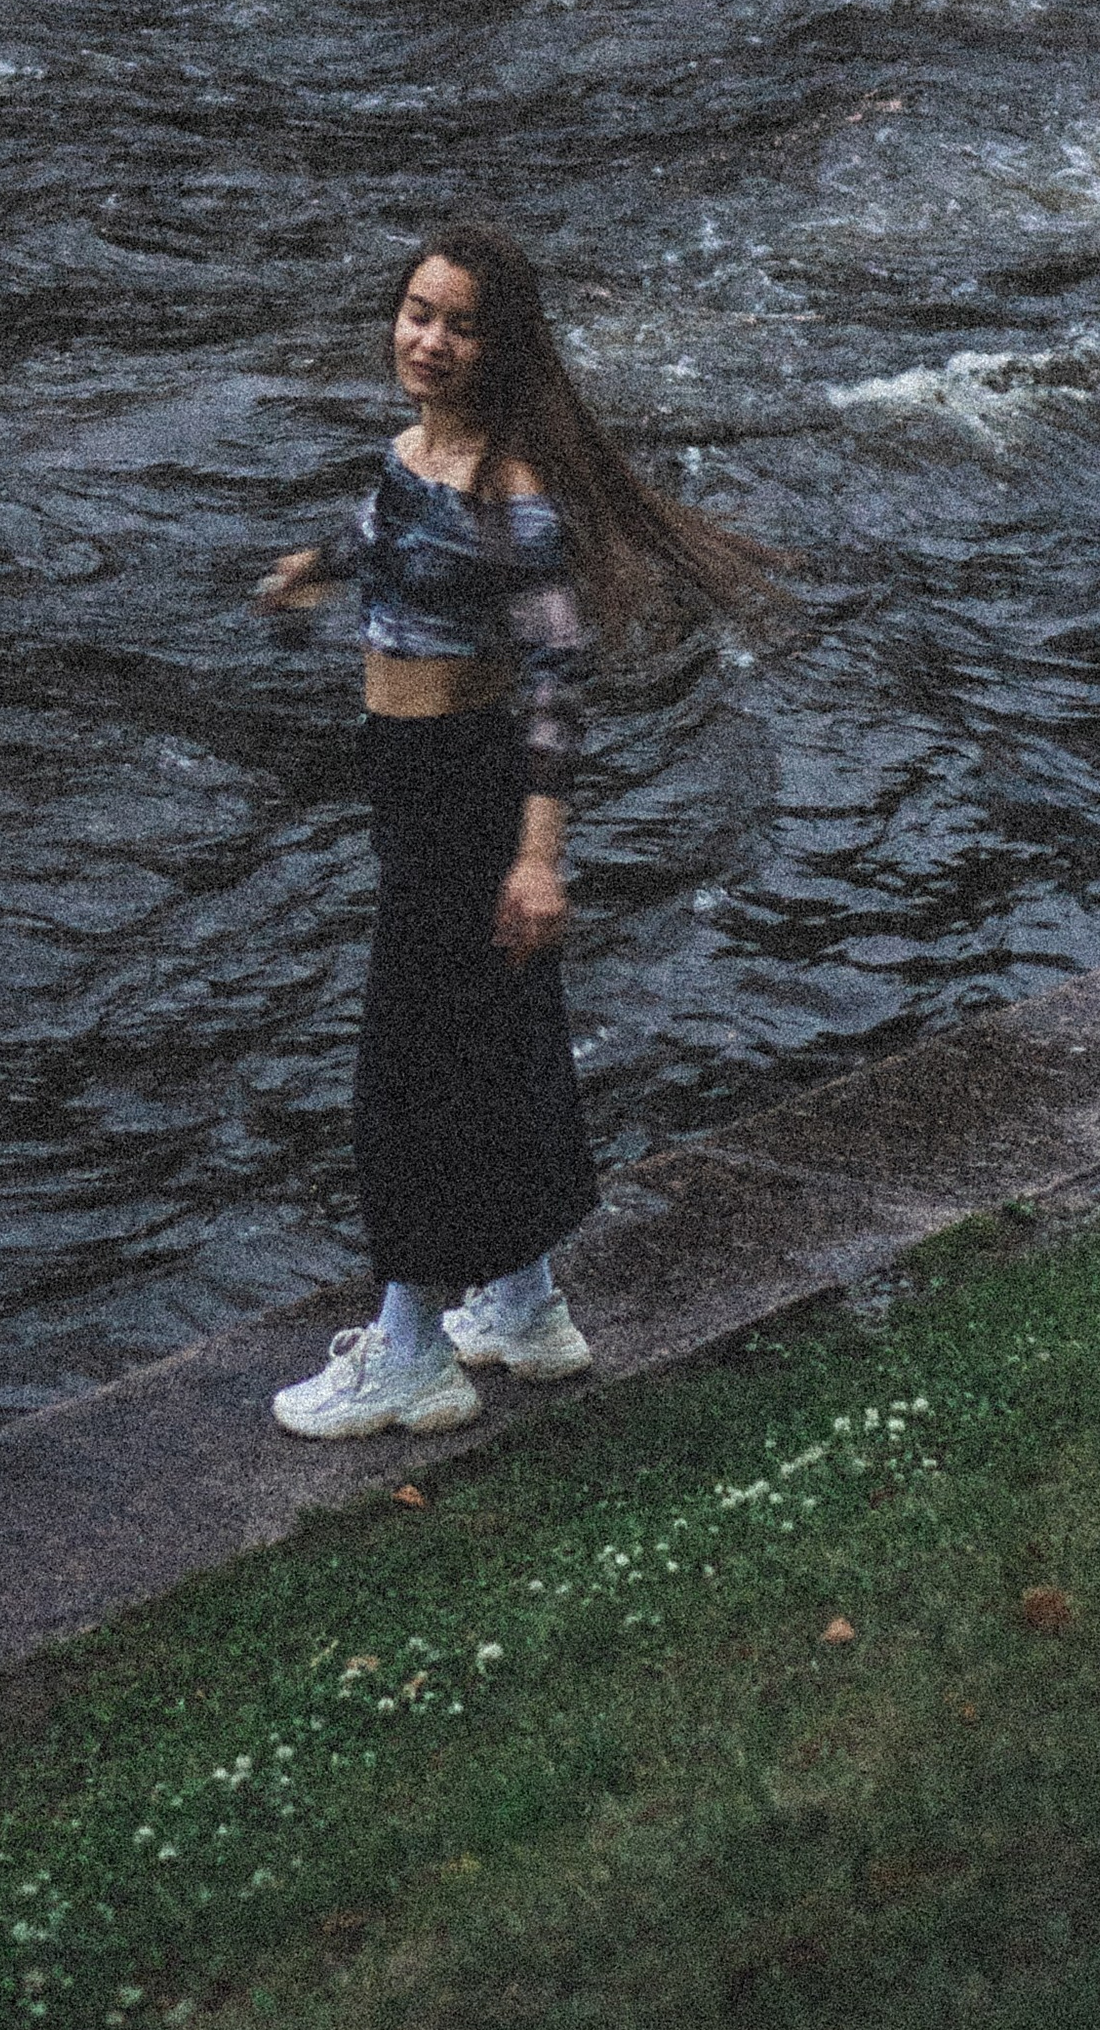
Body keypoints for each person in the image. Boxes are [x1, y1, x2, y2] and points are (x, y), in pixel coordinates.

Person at [258, 223, 774, 1443]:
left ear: (501, 348)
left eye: (458, 324)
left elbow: (555, 677)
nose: (427, 339)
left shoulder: (515, 497)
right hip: (409, 778)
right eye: (416, 312)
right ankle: (526, 1306)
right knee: (498, 1039)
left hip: (465, 792)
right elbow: (386, 538)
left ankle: (407, 1353)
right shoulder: (409, 460)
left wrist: (537, 859)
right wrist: (312, 567)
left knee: (407, 1066)